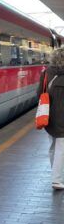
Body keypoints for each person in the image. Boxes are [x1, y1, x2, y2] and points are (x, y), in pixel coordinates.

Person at [37, 47, 64, 190]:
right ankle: (56, 179)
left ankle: (55, 174)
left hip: (48, 116)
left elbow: (39, 94)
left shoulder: (46, 73)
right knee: (61, 148)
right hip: (62, 117)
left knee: (53, 146)